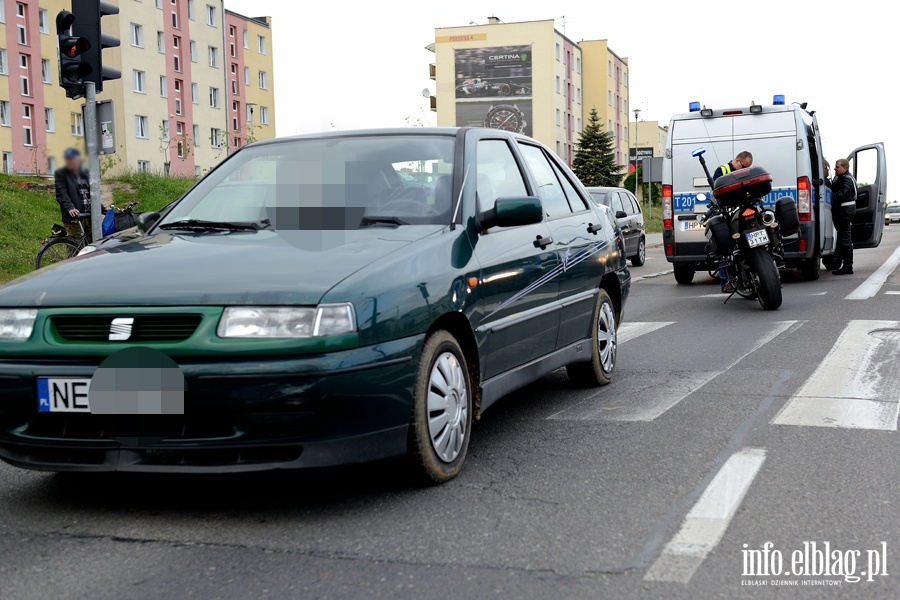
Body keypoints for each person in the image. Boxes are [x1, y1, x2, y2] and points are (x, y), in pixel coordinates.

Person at [712, 151, 754, 292]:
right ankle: (726, 281)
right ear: (736, 160)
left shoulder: (746, 172)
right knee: (724, 245)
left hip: (742, 211)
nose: (744, 170)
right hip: (727, 213)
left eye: (747, 167)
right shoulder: (722, 170)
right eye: (743, 166)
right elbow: (716, 190)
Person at [54, 148, 92, 242]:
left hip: (89, 215)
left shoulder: (85, 173)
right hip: (75, 217)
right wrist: (70, 208)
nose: (70, 161)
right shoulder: (61, 174)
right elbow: (61, 194)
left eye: (73, 159)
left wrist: (101, 208)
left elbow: (92, 193)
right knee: (75, 246)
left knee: (94, 246)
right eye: (68, 159)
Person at [830, 158, 857, 275]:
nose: (835, 168)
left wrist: (828, 196)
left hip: (845, 210)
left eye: (837, 166)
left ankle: (848, 266)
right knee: (842, 238)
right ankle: (844, 265)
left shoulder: (846, 179)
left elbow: (842, 194)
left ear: (844, 168)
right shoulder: (844, 178)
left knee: (845, 239)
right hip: (845, 210)